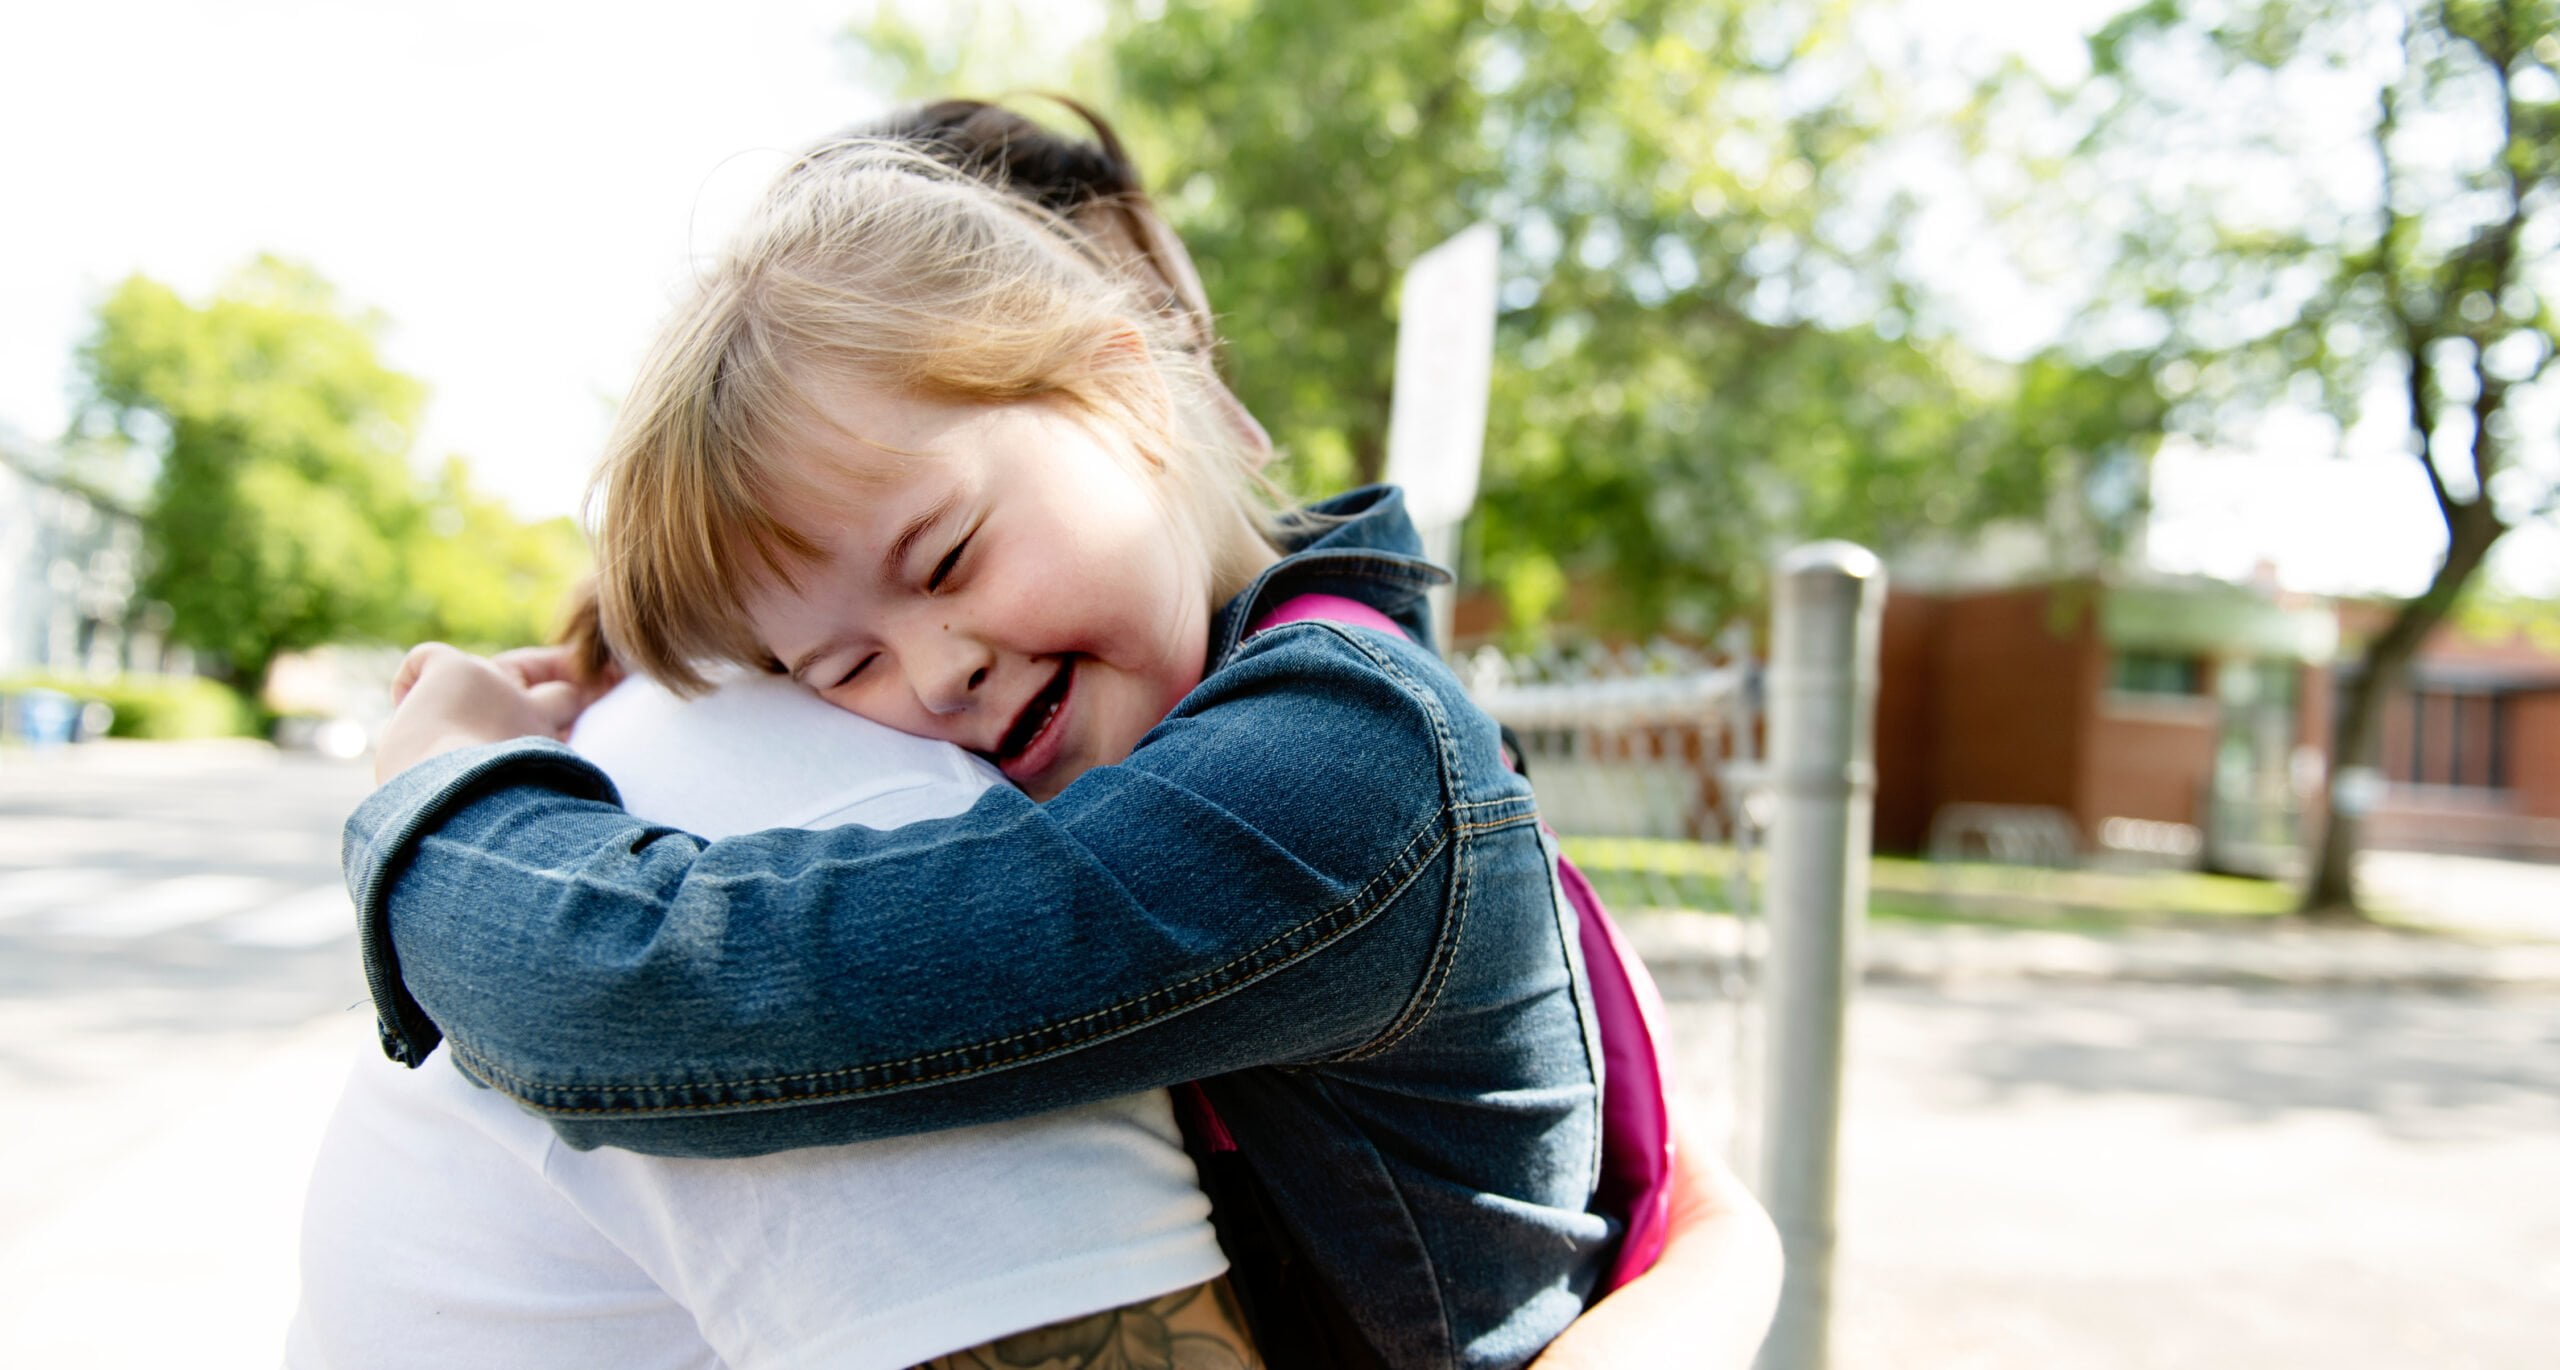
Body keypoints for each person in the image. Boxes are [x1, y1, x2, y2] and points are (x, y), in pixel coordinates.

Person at [349, 126, 1764, 1369]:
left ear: (1128, 388)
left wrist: (452, 792)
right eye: (840, 665)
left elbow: (702, 996)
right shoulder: (1302, 706)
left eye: (949, 554)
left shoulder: (1340, 781)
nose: (940, 668)